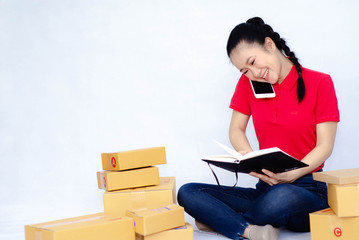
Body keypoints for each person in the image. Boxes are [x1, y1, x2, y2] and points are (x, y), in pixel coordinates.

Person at [177, 17, 340, 240]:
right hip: (265, 188)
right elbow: (236, 129)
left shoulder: (320, 82)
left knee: (280, 198)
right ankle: (250, 230)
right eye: (245, 70)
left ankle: (219, 220)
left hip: (307, 188)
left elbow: (325, 145)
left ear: (270, 45)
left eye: (253, 62)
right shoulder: (249, 85)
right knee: (188, 192)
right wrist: (247, 155)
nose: (253, 73)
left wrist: (294, 174)